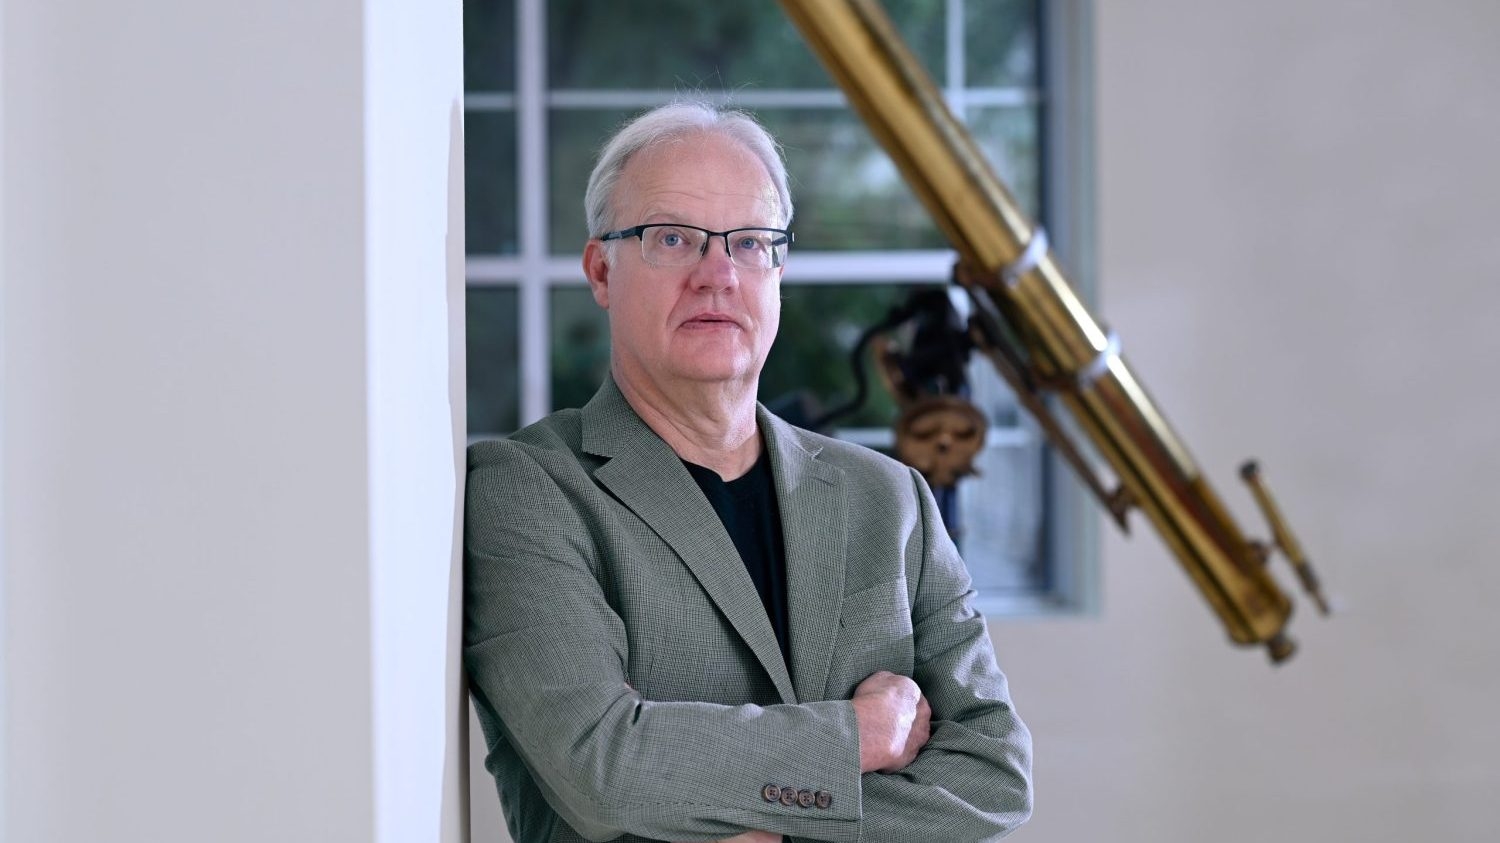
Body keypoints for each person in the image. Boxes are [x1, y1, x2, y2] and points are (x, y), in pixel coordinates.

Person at [464, 101, 1033, 843]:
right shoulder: (529, 491)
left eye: (750, 242)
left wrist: (768, 829)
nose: (717, 274)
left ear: (779, 270)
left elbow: (995, 773)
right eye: (672, 238)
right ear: (601, 269)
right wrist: (853, 739)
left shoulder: (889, 499)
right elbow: (601, 769)